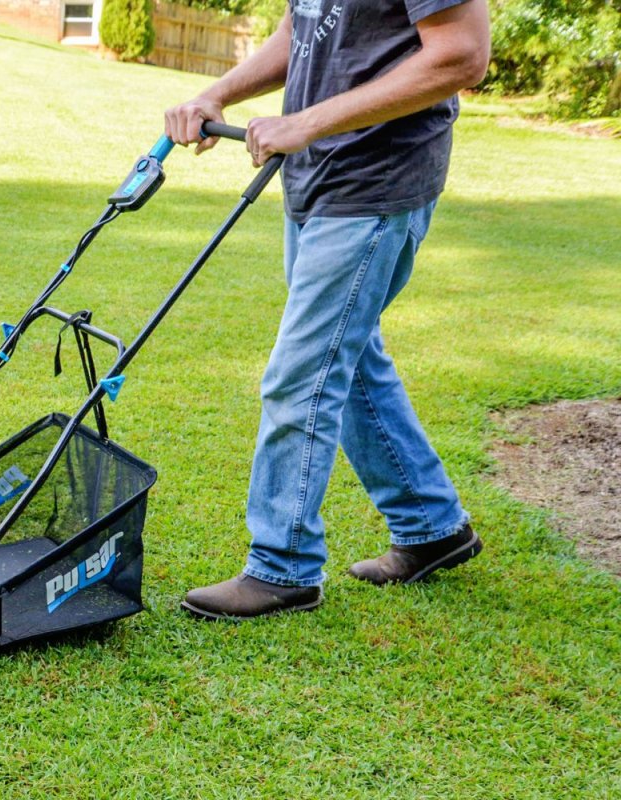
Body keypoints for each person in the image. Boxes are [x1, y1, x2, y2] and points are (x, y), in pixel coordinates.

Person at [166, 0, 492, 619]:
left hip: (376, 179)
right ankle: (432, 527)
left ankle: (282, 567)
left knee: (303, 374)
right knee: (354, 358)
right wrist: (220, 93)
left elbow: (460, 55)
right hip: (320, 175)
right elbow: (306, 27)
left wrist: (308, 121)